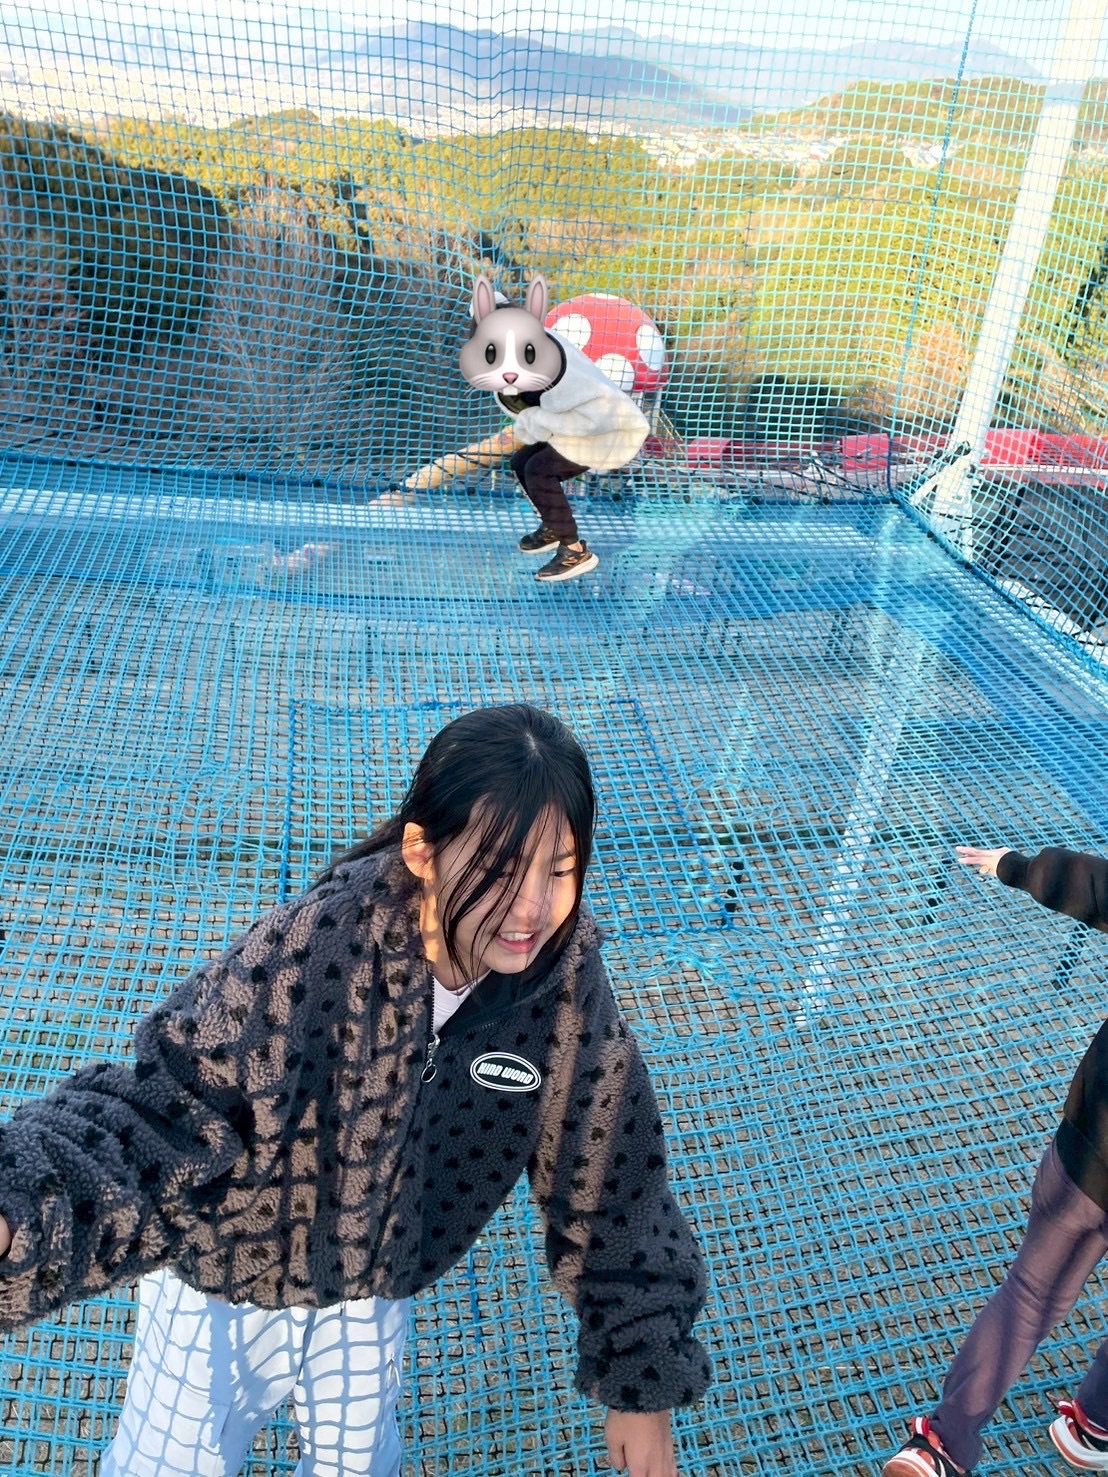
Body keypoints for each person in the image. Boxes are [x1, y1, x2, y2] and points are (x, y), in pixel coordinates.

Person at [0, 704, 711, 1476]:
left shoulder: (561, 983)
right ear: (423, 851)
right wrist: (21, 1205)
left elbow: (611, 1171)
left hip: (371, 1278)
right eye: (499, 870)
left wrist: (641, 1376)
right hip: (226, 1277)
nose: (532, 906)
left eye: (560, 868)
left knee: (358, 1463)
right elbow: (166, 1108)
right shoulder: (312, 954)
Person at [883, 842, 1108, 1476]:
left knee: (1029, 1292)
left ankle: (941, 1444)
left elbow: (1092, 885)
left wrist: (1013, 864)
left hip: (1091, 1145)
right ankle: (1093, 1424)